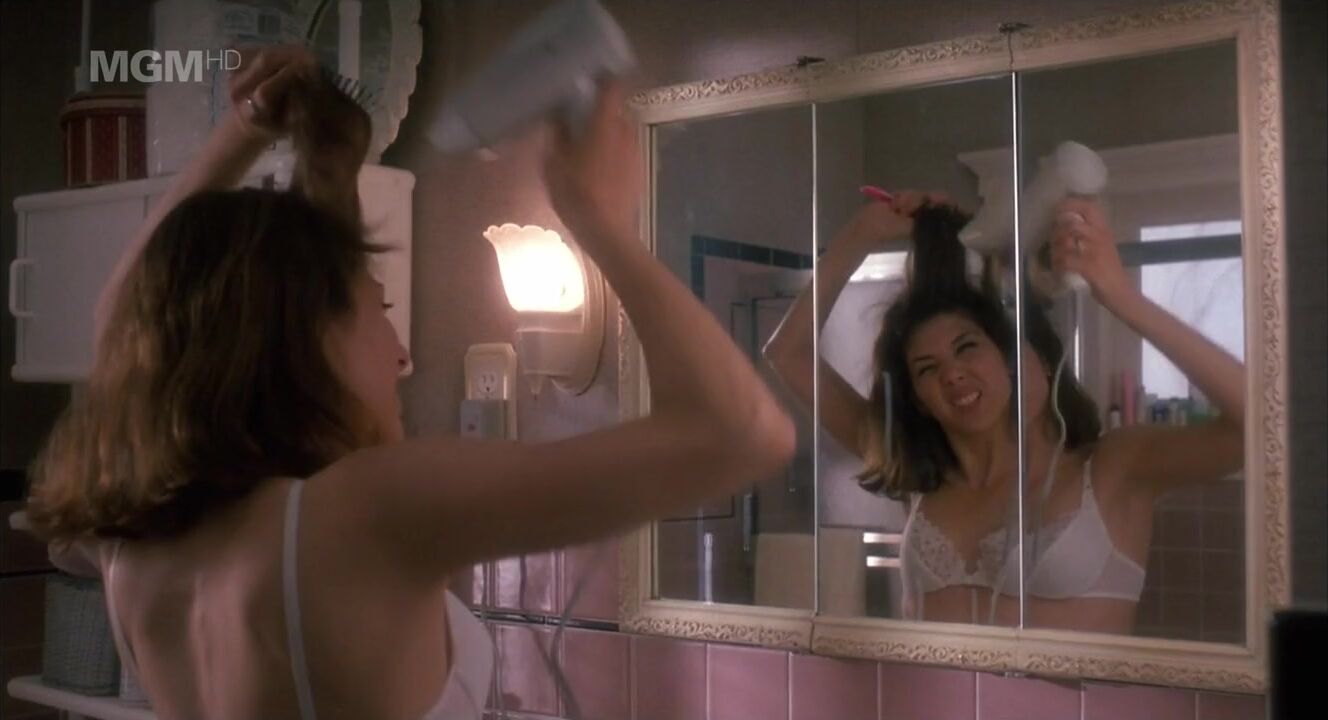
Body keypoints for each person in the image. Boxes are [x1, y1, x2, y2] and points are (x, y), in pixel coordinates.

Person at [23, 45, 795, 719]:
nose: (399, 354)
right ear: (305, 337)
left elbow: (130, 316)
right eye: (379, 312)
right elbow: (741, 434)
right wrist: (597, 221)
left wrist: (249, 128)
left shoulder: (133, 544)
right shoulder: (363, 513)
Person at [764, 191, 1244, 632]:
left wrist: (1119, 294)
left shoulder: (1113, 468)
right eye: (927, 368)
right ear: (919, 398)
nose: (952, 374)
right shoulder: (916, 472)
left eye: (967, 348)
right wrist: (862, 234)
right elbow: (787, 355)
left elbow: (1260, 423)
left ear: (1014, 359)